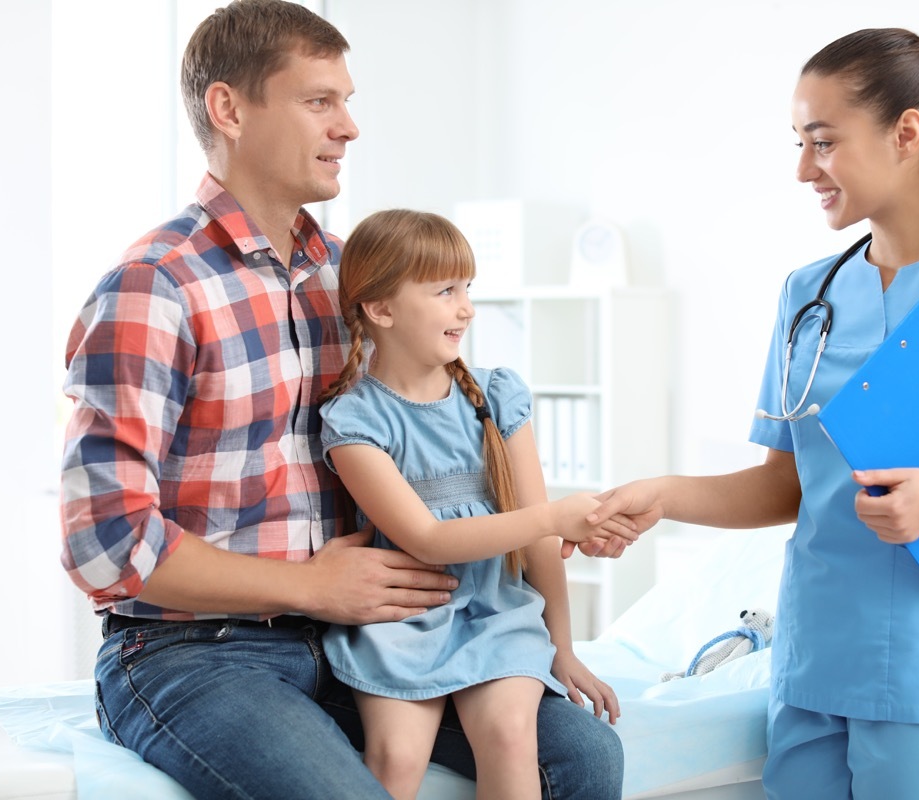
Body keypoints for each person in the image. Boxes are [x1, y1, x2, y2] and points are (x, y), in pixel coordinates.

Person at [59, 2, 625, 798]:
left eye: (347, 101)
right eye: (320, 101)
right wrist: (308, 587)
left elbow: (442, 423)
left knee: (584, 758)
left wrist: (530, 533)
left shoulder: (352, 279)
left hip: (359, 632)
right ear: (229, 108)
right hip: (195, 650)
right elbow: (105, 543)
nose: (349, 126)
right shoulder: (155, 288)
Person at [589, 27, 919, 800]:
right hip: (811, 669)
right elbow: (787, 486)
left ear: (907, 132)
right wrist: (663, 494)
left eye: (823, 142)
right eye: (800, 144)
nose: (804, 168)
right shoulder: (809, 296)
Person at [316, 208, 627, 799]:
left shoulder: (496, 396)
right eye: (445, 291)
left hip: (497, 615)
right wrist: (556, 516)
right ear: (380, 310)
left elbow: (539, 543)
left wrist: (562, 648)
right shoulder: (354, 419)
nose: (467, 308)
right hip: (403, 617)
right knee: (396, 758)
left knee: (512, 736)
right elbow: (426, 539)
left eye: (467, 288)